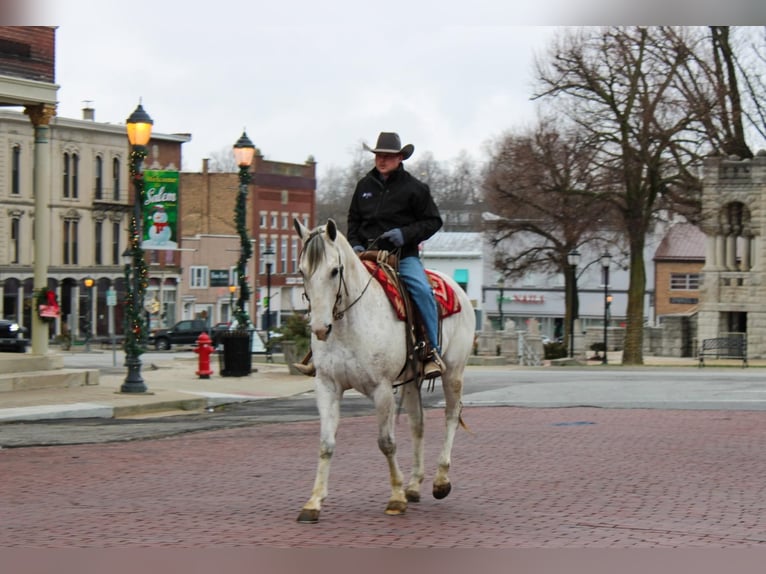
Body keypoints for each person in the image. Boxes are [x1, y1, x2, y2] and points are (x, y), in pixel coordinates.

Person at [294, 131, 445, 379]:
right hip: (364, 257)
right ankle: (319, 354)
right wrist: (354, 244)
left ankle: (430, 352)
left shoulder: (415, 189)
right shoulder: (364, 186)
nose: (381, 160)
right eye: (378, 155)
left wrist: (405, 234)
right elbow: (354, 219)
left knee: (421, 290)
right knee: (333, 287)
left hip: (400, 256)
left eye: (387, 156)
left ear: (399, 158)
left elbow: (433, 221)